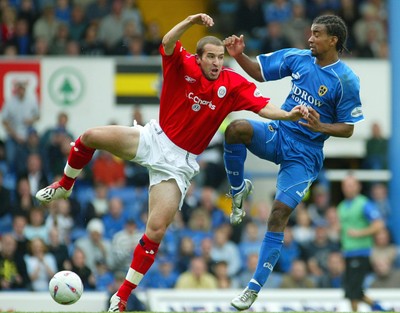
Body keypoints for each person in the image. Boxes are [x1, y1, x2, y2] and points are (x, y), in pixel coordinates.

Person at [35, 13, 306, 312]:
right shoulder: (183, 63)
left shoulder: (232, 84)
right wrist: (190, 20)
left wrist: (289, 114)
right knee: (88, 136)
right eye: (211, 57)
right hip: (154, 137)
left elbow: (264, 107)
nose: (217, 62)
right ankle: (64, 185)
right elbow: (167, 42)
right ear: (198, 58)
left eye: (220, 57)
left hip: (178, 164)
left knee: (156, 231)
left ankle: (121, 296)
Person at [223, 14, 364, 310]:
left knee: (278, 213)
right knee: (236, 129)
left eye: (316, 34)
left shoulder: (346, 80)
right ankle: (238, 192)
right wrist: (238, 56)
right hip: (280, 132)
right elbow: (260, 72)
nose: (310, 38)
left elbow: (348, 128)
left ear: (333, 40)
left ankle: (253, 288)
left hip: (304, 155)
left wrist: (320, 127)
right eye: (311, 33)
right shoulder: (298, 58)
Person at [338, 174, 387, 311]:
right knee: (352, 289)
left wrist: (359, 233)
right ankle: (379, 308)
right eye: (346, 185)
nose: (348, 188)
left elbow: (379, 224)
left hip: (361, 251)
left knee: (353, 290)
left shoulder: (364, 203)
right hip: (347, 253)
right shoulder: (341, 207)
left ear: (358, 187)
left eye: (351, 185)